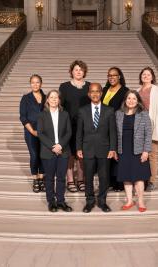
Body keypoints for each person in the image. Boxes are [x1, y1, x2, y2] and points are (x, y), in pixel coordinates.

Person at [76, 83, 117, 213]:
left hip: (104, 149)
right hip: (87, 149)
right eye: (92, 91)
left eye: (97, 91)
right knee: (87, 177)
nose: (95, 94)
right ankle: (89, 201)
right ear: (89, 94)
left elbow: (113, 132)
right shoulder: (82, 111)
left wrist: (112, 148)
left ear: (101, 93)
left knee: (104, 176)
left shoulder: (109, 110)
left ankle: (102, 201)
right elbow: (79, 132)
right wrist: (78, 148)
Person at [116, 90, 152, 212]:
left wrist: (146, 151)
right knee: (126, 176)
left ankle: (141, 201)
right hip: (123, 149)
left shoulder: (144, 114)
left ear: (138, 101)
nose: (131, 101)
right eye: (129, 98)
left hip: (138, 150)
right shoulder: (118, 114)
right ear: (125, 100)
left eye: (134, 99)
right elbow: (115, 133)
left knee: (139, 177)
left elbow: (148, 134)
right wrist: (115, 150)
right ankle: (129, 201)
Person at [37, 90, 73, 212]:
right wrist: (53, 146)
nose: (53, 99)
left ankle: (61, 201)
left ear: (59, 100)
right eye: (51, 97)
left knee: (62, 178)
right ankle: (51, 202)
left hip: (63, 151)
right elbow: (40, 134)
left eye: (56, 97)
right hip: (48, 151)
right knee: (50, 178)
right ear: (47, 100)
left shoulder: (65, 114)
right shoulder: (42, 115)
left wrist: (60, 145)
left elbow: (69, 132)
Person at [59, 60, 91, 193]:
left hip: (85, 126)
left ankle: (81, 179)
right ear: (71, 71)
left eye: (81, 69)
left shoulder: (89, 86)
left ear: (84, 72)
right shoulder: (64, 86)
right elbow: (60, 106)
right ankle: (70, 180)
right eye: (76, 69)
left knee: (81, 154)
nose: (78, 71)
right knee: (70, 154)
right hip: (69, 125)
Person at [137, 67, 158, 191]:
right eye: (144, 74)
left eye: (148, 74)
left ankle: (152, 181)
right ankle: (143, 178)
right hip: (139, 126)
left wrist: (157, 129)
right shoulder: (138, 90)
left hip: (151, 126)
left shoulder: (156, 90)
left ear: (152, 77)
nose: (146, 76)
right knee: (140, 154)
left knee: (152, 155)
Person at [101, 66, 129, 192]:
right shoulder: (105, 89)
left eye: (114, 75)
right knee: (108, 154)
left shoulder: (125, 91)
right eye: (109, 75)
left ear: (119, 77)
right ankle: (109, 181)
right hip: (104, 127)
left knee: (118, 154)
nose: (111, 77)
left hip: (118, 126)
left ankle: (119, 182)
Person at [19, 74, 46, 193]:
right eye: (33, 82)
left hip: (45, 131)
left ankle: (42, 178)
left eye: (37, 82)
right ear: (30, 84)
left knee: (43, 155)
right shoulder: (26, 98)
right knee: (34, 155)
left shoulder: (46, 97)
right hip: (31, 130)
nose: (35, 84)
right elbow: (23, 117)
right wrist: (32, 131)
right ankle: (35, 178)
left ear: (41, 83)